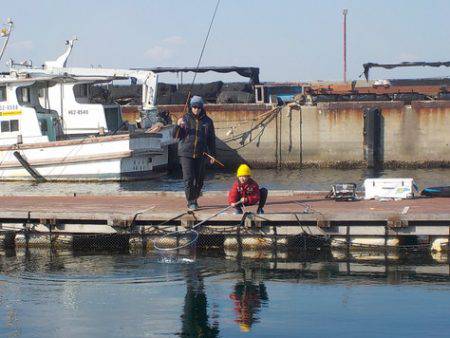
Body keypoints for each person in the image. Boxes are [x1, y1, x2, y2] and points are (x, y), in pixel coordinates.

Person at [173, 95, 216, 211]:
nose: (196, 109)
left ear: (202, 107)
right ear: (191, 107)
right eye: (194, 107)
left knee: (200, 179)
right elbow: (175, 136)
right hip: (185, 153)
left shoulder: (208, 122)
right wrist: (178, 126)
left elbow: (211, 139)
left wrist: (213, 154)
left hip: (201, 153)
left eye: (198, 107)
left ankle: (195, 197)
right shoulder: (184, 119)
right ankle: (191, 202)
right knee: (188, 178)